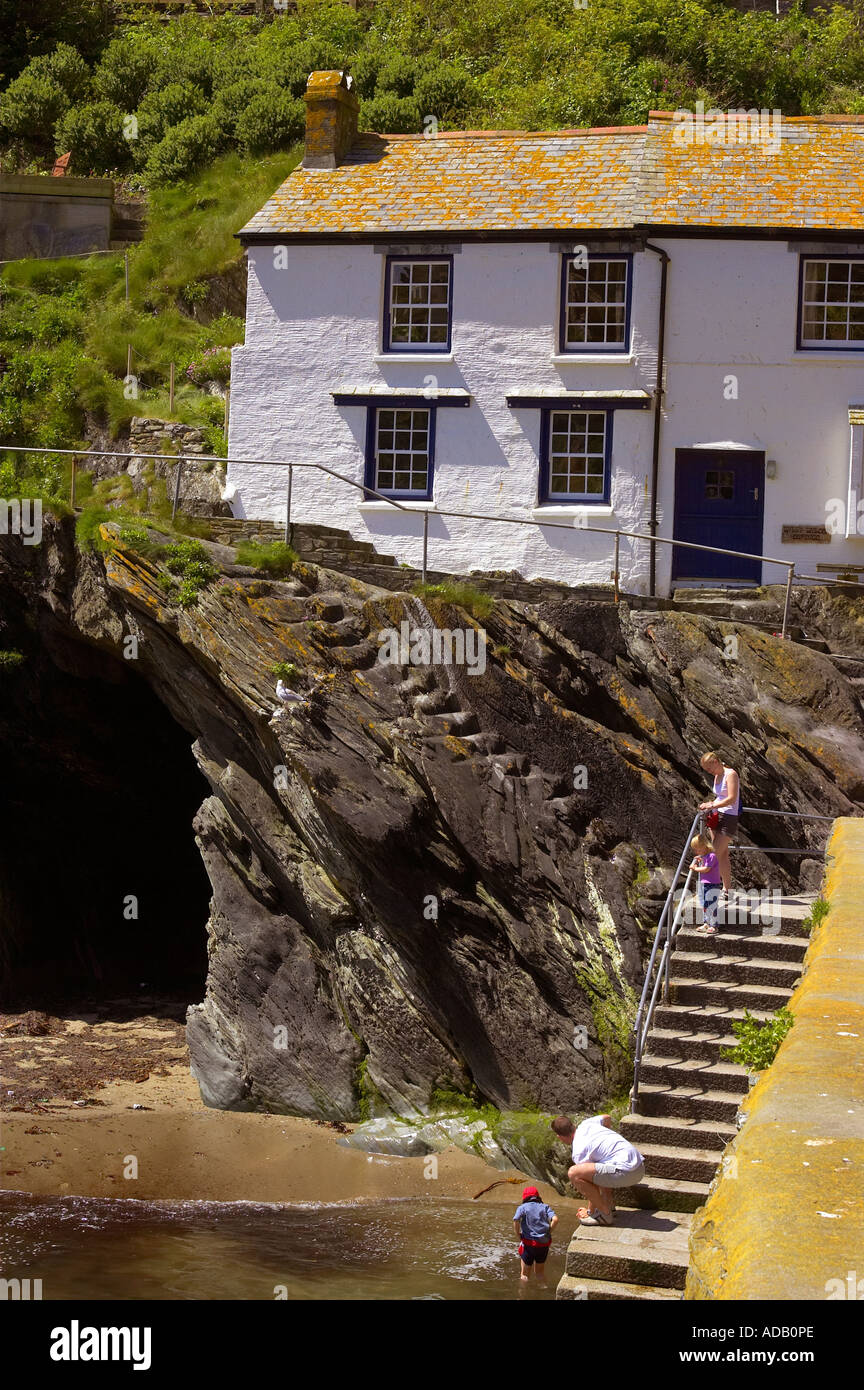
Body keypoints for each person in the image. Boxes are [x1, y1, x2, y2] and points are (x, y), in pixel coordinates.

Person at [551, 1113, 645, 1226]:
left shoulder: (579, 1151)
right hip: (640, 1167)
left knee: (574, 1173)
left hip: (626, 1173)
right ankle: (609, 1205)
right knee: (600, 1164)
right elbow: (607, 1117)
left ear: (559, 1137)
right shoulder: (587, 1124)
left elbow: (590, 1182)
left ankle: (604, 1215)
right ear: (573, 1125)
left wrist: (589, 1211)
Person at [698, 751, 740, 895]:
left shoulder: (731, 774)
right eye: (706, 770)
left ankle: (709, 888)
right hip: (716, 815)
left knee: (712, 854)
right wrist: (711, 804)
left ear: (716, 761)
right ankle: (726, 889)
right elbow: (719, 796)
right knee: (722, 855)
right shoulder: (717, 775)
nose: (709, 771)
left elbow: (732, 798)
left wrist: (712, 805)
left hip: (728, 817)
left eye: (709, 768)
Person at [513, 1185, 558, 1284]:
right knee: (540, 1273)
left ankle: (523, 1294)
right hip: (543, 1245)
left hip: (529, 1244)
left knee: (524, 1275)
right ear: (538, 1197)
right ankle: (543, 1289)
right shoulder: (545, 1207)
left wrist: (517, 1234)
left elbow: (516, 1220)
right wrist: (549, 1231)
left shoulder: (522, 1207)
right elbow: (555, 1219)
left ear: (525, 1198)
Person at [690, 831, 722, 936]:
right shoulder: (705, 856)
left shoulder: (712, 856)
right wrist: (700, 860)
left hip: (713, 884)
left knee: (711, 904)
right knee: (705, 904)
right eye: (695, 849)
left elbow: (706, 869)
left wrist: (695, 868)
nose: (696, 851)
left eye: (698, 848)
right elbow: (704, 864)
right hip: (705, 884)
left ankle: (714, 925)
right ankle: (706, 923)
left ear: (705, 846)